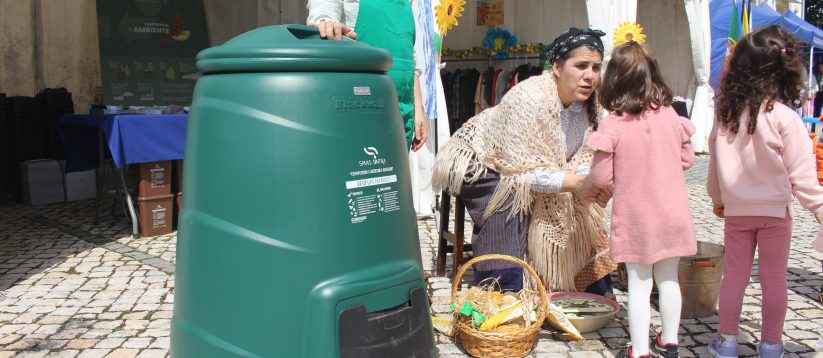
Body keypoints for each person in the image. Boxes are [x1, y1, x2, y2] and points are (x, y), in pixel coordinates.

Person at [432, 27, 616, 294]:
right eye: (581, 66)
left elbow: (588, 157)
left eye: (596, 67)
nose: (590, 76)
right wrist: (572, 181)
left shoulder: (593, 105)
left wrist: (589, 180)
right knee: (509, 195)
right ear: (557, 67)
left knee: (581, 206)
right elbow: (518, 173)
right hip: (480, 158)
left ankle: (589, 282)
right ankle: (505, 288)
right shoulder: (529, 98)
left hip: (538, 169)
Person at [706, 25, 823, 358]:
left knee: (734, 278)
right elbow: (803, 175)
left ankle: (727, 342)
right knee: (774, 280)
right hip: (775, 214)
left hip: (737, 212)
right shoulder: (786, 118)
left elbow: (714, 164)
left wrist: (718, 199)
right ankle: (771, 345)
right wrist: (818, 208)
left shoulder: (725, 114)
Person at [586, 41, 697, 358]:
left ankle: (639, 350)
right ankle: (670, 342)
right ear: (653, 76)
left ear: (614, 80)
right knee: (668, 279)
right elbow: (687, 159)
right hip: (672, 214)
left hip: (637, 218)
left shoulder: (614, 124)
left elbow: (600, 177)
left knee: (638, 284)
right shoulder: (671, 116)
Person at [307, 0, 428, 151]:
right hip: (360, 106)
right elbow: (324, 7)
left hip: (402, 108)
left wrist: (418, 106)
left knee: (395, 172)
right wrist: (325, 21)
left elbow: (409, 51)